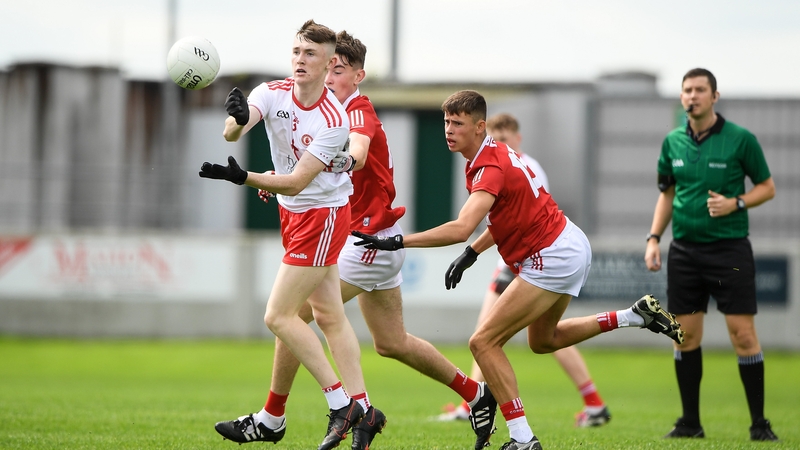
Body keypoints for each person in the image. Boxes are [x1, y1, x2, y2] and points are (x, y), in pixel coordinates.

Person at [353, 90, 684, 450]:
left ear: (480, 127)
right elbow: (505, 218)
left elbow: (462, 226)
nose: (448, 130)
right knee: (544, 341)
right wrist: (471, 254)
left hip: (552, 254)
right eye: (446, 122)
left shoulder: (489, 165)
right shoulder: (490, 154)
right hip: (566, 244)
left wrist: (400, 241)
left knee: (483, 342)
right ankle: (633, 317)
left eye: (457, 123)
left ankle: (523, 439)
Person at [255, 31, 493, 450]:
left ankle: (277, 416)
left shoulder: (357, 109)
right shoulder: (321, 113)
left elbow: (358, 152)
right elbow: (308, 168)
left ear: (358, 75)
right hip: (367, 242)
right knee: (392, 343)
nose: (328, 75)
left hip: (368, 241)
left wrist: (332, 161)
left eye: (338, 69)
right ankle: (476, 394)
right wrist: (279, 181)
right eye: (327, 67)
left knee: (293, 317)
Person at [198, 20, 370, 450]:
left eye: (310, 55)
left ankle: (341, 404)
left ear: (330, 62)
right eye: (296, 52)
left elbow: (296, 182)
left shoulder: (334, 117)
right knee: (328, 315)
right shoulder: (270, 92)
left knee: (278, 317)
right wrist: (237, 120)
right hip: (293, 216)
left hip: (323, 214)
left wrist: (246, 179)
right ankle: (292, 418)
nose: (299, 60)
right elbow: (233, 131)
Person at [438, 113, 611, 428]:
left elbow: (519, 221)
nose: (500, 143)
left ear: (518, 138)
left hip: (530, 260)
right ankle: (593, 400)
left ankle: (484, 408)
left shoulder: (515, 165)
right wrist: (472, 253)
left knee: (488, 336)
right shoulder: (494, 161)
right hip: (528, 257)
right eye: (496, 137)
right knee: (538, 338)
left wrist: (466, 251)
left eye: (506, 138)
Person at [644, 68, 778, 441]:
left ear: (714, 96)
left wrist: (736, 202)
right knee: (684, 336)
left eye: (700, 90)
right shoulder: (672, 141)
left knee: (743, 335)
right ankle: (690, 423)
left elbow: (767, 188)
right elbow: (667, 193)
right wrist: (654, 238)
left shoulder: (741, 139)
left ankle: (759, 425)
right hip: (684, 251)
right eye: (687, 90)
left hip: (730, 249)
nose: (692, 96)